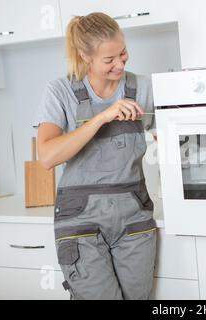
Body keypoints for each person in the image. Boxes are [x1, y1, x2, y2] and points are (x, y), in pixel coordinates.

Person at [33, 12, 157, 300]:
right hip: (80, 220)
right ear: (85, 56)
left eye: (123, 53)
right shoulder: (60, 91)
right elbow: (47, 156)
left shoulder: (144, 88)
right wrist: (102, 117)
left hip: (134, 214)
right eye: (109, 60)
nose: (121, 63)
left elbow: (176, 138)